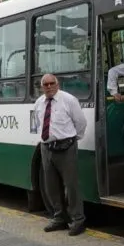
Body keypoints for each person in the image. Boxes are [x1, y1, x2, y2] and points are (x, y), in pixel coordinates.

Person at [34, 73, 87, 236]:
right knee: (51, 186)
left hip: (66, 147)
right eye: (46, 84)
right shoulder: (39, 103)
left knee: (71, 186)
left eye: (52, 83)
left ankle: (78, 220)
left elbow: (81, 123)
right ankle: (59, 219)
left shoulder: (69, 100)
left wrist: (72, 139)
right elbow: (38, 123)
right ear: (42, 87)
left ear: (57, 84)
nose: (49, 87)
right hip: (46, 147)